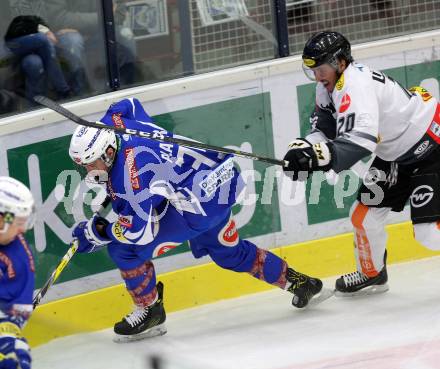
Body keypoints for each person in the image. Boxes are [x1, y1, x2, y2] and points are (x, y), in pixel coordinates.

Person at [68, 98, 330, 342]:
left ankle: (150, 312)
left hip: (196, 207)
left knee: (123, 250)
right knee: (230, 253)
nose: (88, 171)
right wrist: (101, 123)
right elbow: (129, 104)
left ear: (108, 152)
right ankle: (301, 283)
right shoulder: (118, 124)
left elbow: (139, 233)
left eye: (91, 164)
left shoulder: (131, 176)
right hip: (217, 183)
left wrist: (99, 233)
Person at [282, 30, 440, 296]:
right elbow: (325, 127)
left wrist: (318, 156)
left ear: (340, 62)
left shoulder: (356, 85)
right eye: (313, 69)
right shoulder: (328, 86)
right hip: (397, 153)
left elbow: (361, 142)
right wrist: (305, 149)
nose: (317, 76)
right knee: (363, 215)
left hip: (430, 144)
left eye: (321, 68)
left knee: (429, 235)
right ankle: (373, 273)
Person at [0, 176, 36, 369]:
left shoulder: (20, 259)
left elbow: (13, 314)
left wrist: (10, 344)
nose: (23, 229)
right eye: (19, 221)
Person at [4, 14, 71, 102]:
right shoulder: (34, 28)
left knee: (34, 62)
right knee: (42, 39)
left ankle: (36, 103)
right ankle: (62, 88)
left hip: (29, 51)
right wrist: (47, 33)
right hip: (11, 44)